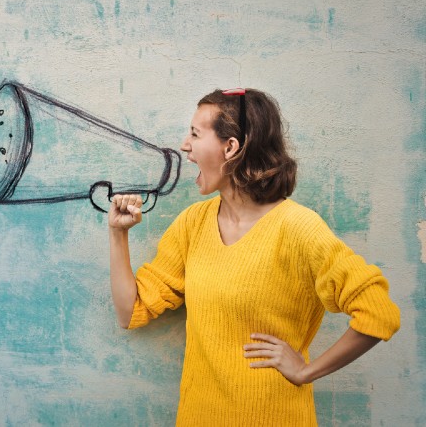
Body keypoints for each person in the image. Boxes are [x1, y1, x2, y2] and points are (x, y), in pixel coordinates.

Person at [108, 88, 400, 426]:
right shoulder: (193, 223)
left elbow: (378, 314)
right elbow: (130, 312)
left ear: (230, 147)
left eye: (194, 134)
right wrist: (118, 234)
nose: (185, 146)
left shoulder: (298, 227)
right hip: (199, 416)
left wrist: (306, 371)